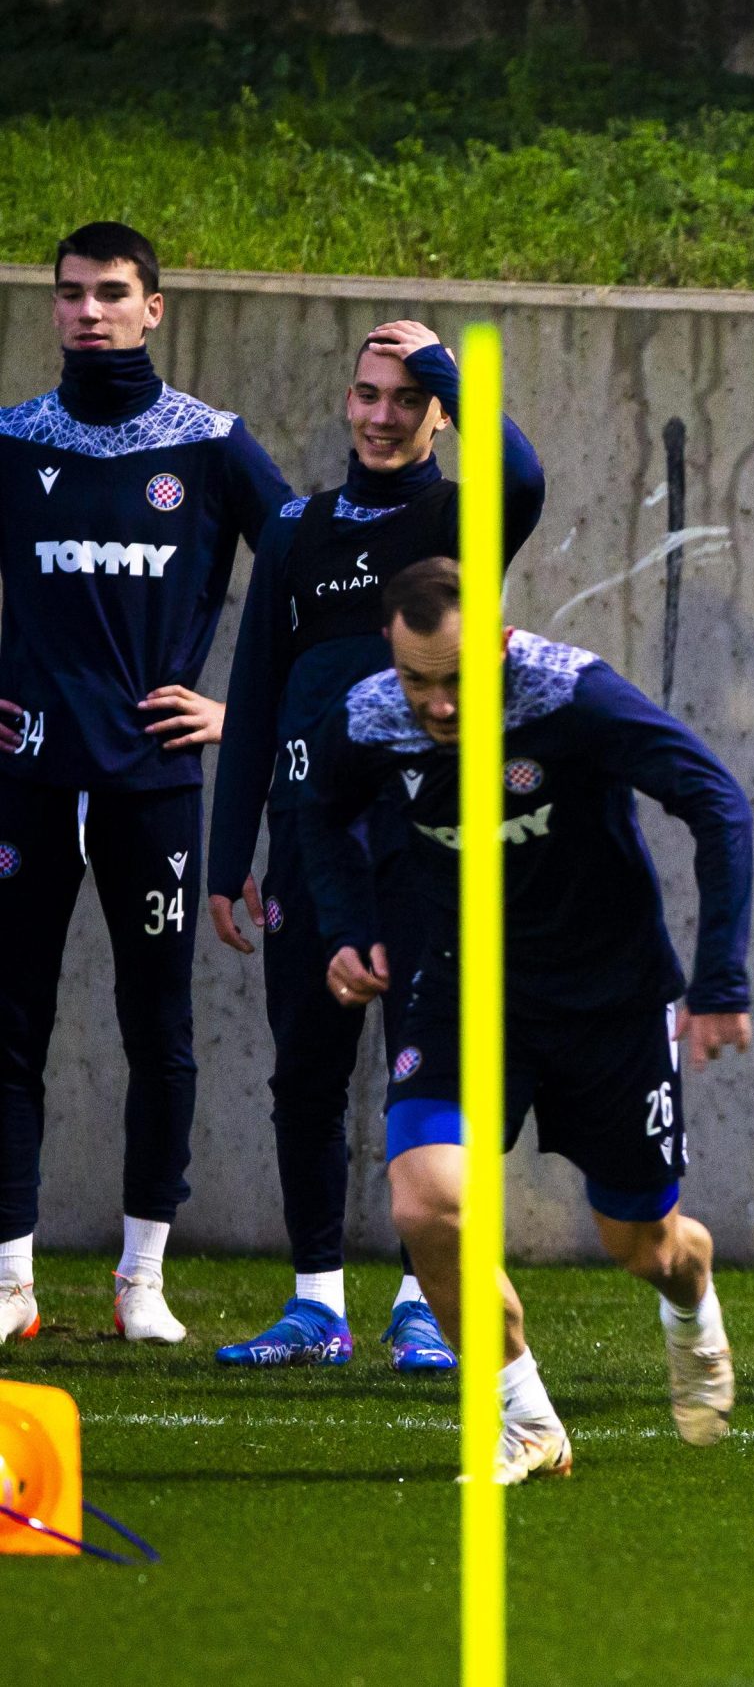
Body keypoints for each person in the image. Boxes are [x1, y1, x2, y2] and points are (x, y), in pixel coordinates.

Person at [303, 559, 752, 1481]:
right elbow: (319, 808)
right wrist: (346, 928)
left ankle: (690, 1289)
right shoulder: (371, 714)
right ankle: (526, 1419)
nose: (436, 704)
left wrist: (720, 982)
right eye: (417, 679)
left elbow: (717, 801)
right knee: (425, 1203)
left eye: (458, 679)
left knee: (642, 1246)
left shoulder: (570, 694)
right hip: (463, 993)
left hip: (610, 1005)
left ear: (501, 642)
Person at [205, 320, 546, 1370]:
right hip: (310, 844)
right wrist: (227, 861)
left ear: (437, 410)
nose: (382, 413)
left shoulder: (461, 515)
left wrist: (446, 364)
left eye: (406, 397)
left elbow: (522, 470)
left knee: (441, 1074)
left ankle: (421, 1296)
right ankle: (315, 1304)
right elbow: (256, 699)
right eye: (367, 394)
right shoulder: (298, 529)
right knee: (306, 1067)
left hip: (434, 847)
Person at [0, 222, 291, 1345]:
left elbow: (313, 581)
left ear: (154, 308)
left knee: (157, 1029)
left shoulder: (212, 446)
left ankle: (141, 1283)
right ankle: (14, 1284)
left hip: (154, 783)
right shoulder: (16, 439)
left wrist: (237, 713)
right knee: (11, 1027)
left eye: (111, 293)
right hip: (24, 779)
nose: (88, 312)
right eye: (70, 294)